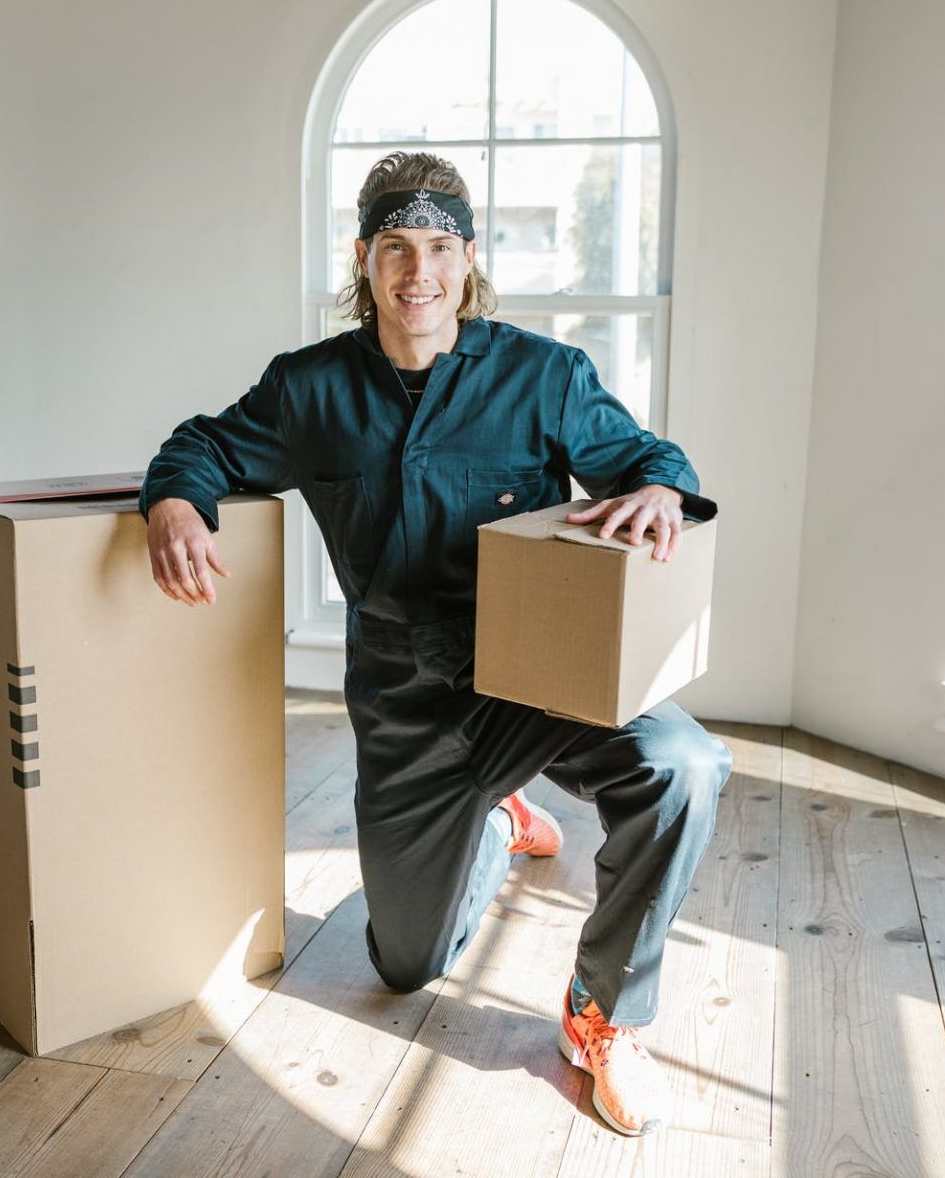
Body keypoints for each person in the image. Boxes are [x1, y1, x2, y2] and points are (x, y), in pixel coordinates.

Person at [139, 151, 733, 1137]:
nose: (420, 272)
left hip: (536, 682)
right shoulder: (310, 390)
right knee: (405, 966)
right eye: (397, 248)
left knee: (685, 763)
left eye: (441, 247)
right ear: (365, 259)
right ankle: (497, 822)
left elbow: (649, 460)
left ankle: (605, 1020)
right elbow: (202, 445)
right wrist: (174, 504)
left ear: (468, 259)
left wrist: (661, 492)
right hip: (402, 704)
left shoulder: (546, 377)